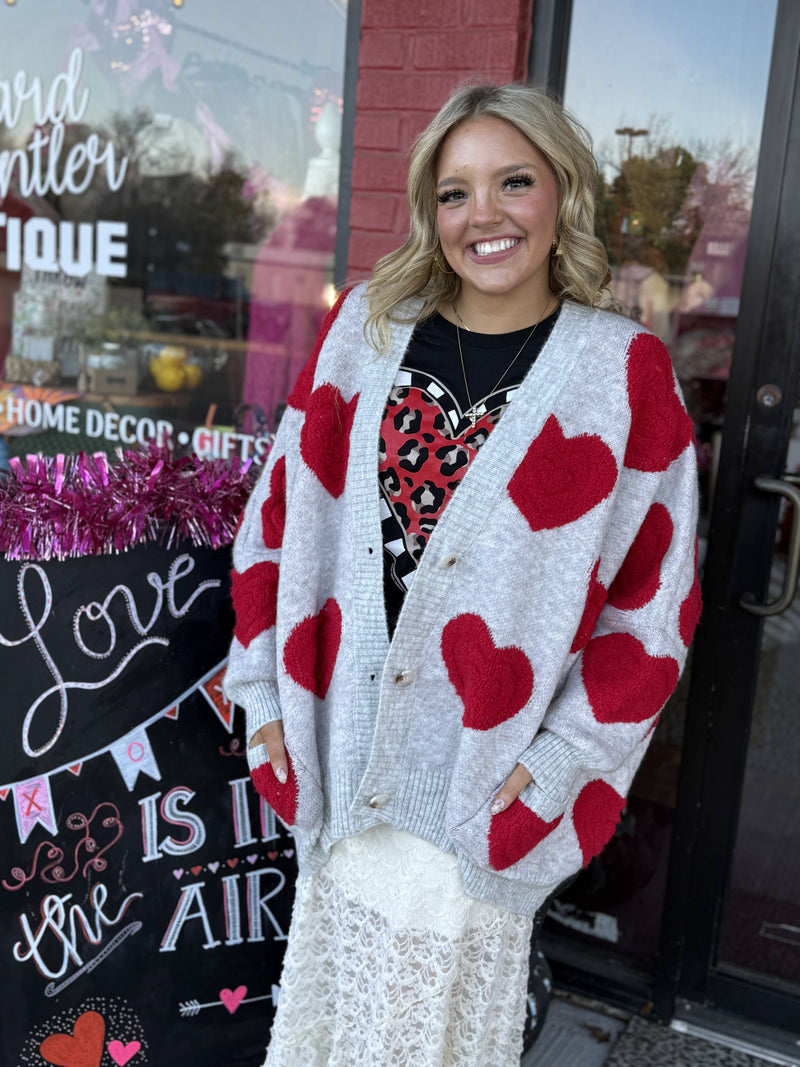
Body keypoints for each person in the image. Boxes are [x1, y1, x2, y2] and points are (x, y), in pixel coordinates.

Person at [223, 83, 701, 1066]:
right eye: (453, 192)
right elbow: (274, 521)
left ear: (559, 192)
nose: (480, 215)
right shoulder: (365, 328)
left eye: (511, 182)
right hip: (340, 761)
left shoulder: (622, 372)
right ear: (426, 209)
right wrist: (262, 688)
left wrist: (556, 763)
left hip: (484, 793)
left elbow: (650, 612)